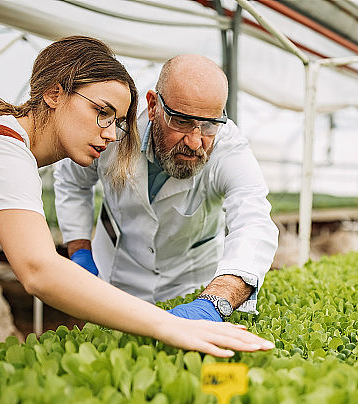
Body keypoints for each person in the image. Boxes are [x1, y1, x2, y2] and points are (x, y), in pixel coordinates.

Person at [0, 36, 273, 372]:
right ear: (54, 93)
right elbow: (38, 270)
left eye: (210, 125)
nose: (112, 135)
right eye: (103, 114)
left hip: (190, 277)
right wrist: (83, 254)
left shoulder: (227, 149)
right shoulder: (1, 153)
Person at [53, 54, 278, 323]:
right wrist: (79, 250)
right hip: (114, 275)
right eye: (181, 121)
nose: (195, 141)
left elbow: (253, 221)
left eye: (208, 125)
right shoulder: (115, 130)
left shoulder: (228, 148)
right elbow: (72, 181)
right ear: (152, 106)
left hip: (191, 286)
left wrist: (217, 301)